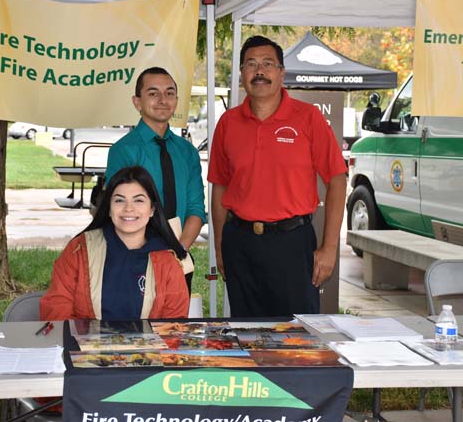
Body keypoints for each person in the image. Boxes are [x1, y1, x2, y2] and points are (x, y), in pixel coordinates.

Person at [208, 35, 347, 317]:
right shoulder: (228, 122)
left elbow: (337, 179)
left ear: (281, 73)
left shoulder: (308, 118)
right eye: (251, 64)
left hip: (292, 245)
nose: (259, 71)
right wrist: (220, 247)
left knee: (297, 338)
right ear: (242, 74)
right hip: (240, 244)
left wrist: (330, 247)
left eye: (268, 64)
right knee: (245, 335)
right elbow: (220, 188)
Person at [40, 165, 189, 320]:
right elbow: (56, 309)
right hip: (84, 343)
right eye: (119, 200)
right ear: (109, 208)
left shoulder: (168, 260)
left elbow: (174, 324)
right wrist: (90, 342)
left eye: (138, 200)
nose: (128, 209)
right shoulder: (79, 250)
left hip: (150, 345)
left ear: (152, 209)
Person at [106, 67, 206, 289]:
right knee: (134, 324)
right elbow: (117, 211)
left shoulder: (187, 151)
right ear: (137, 102)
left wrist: (178, 253)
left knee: (174, 324)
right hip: (135, 260)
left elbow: (196, 208)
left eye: (169, 93)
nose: (163, 100)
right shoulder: (124, 150)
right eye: (153, 93)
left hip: (179, 259)